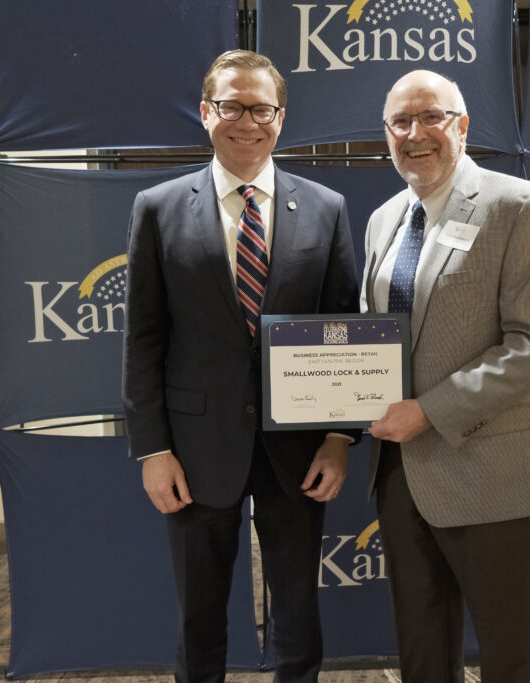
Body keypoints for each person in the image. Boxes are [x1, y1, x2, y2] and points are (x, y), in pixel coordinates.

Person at [122, 50, 358, 683]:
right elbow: (143, 339)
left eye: (262, 109)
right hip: (193, 450)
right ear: (206, 112)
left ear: (281, 117)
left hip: (299, 449)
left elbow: (343, 331)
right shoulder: (157, 208)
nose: (247, 122)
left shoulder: (327, 208)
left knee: (299, 615)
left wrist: (339, 439)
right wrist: (153, 451)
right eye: (232, 106)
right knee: (199, 619)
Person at [361, 70, 530, 682]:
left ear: (463, 126)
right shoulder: (383, 219)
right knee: (421, 649)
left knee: (504, 653)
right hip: (401, 474)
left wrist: (428, 412)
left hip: (492, 471)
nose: (416, 134)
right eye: (401, 122)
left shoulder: (519, 205)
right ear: (387, 133)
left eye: (432, 117)